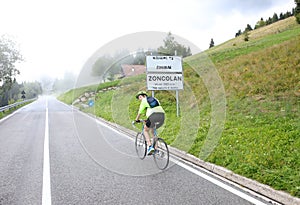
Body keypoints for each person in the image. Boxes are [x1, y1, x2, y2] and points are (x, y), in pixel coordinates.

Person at [134, 91, 165, 155]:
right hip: (162, 116)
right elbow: (155, 108)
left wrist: (136, 120)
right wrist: (147, 120)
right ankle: (156, 149)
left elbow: (140, 112)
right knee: (152, 132)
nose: (140, 99)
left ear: (143, 96)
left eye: (140, 97)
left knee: (145, 130)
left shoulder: (144, 101)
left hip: (153, 116)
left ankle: (150, 146)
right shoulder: (154, 99)